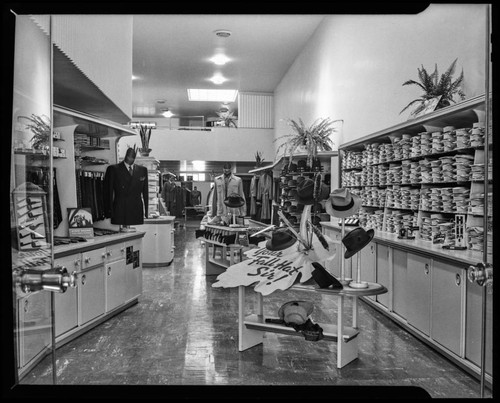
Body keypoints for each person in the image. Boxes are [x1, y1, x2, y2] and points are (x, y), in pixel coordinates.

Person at [103, 147, 148, 228]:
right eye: (129, 156)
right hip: (120, 209)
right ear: (125, 156)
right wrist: (109, 211)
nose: (130, 159)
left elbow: (145, 192)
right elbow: (107, 192)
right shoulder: (113, 169)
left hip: (136, 209)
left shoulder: (143, 170)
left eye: (132, 157)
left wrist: (146, 212)